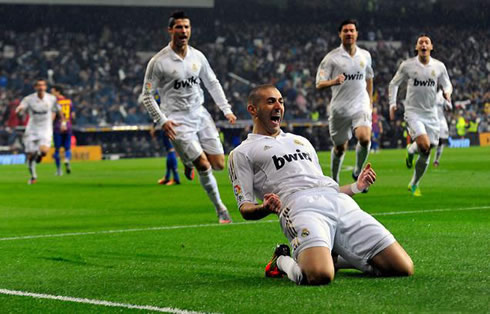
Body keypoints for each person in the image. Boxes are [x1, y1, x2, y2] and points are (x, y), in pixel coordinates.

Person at [228, 85, 414, 286]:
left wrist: (356, 187)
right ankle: (281, 261)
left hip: (339, 202)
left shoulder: (301, 141)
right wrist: (264, 208)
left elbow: (321, 185)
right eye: (271, 101)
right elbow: (245, 207)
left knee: (402, 267)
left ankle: (330, 256)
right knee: (319, 275)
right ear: (253, 109)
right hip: (299, 207)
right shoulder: (242, 153)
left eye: (281, 101)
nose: (278, 106)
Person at [141, 11, 236, 224]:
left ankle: (186, 159)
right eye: (179, 27)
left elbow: (212, 82)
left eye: (186, 27)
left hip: (200, 114)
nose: (183, 31)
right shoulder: (158, 62)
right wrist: (162, 120)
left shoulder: (198, 56)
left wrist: (225, 109)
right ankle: (221, 210)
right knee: (204, 165)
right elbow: (146, 95)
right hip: (176, 119)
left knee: (219, 164)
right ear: (170, 30)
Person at [389, 34, 452, 196]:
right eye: (420, 43)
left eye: (427, 42)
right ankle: (413, 151)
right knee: (424, 145)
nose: (424, 45)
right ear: (417, 47)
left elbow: (447, 84)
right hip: (413, 112)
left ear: (431, 47)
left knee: (426, 150)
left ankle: (414, 181)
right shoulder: (407, 66)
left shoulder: (439, 67)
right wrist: (392, 103)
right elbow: (394, 83)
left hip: (431, 115)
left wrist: (447, 92)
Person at [316, 19, 373, 185]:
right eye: (345, 31)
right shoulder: (331, 58)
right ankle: (334, 179)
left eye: (352, 30)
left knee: (364, 138)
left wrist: (370, 102)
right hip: (339, 109)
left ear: (357, 33)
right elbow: (319, 83)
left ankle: (357, 171)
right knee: (340, 148)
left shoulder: (365, 55)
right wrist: (333, 82)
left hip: (360, 105)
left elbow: (369, 78)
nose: (349, 33)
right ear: (340, 34)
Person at [15, 79, 59, 184]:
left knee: (44, 151)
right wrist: (19, 110)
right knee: (30, 156)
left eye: (43, 85)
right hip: (32, 129)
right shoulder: (29, 99)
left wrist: (59, 122)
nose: (41, 87)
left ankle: (39, 154)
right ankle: (33, 176)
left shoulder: (51, 99)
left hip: (45, 129)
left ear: (45, 87)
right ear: (35, 87)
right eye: (39, 85)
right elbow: (20, 108)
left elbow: (57, 110)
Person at [51, 85, 74, 175]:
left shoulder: (55, 102)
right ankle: (67, 159)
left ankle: (59, 170)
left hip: (58, 127)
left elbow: (53, 116)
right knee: (67, 148)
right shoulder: (69, 101)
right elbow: (73, 115)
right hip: (68, 126)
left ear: (58, 92)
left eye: (53, 91)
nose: (51, 93)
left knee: (57, 150)